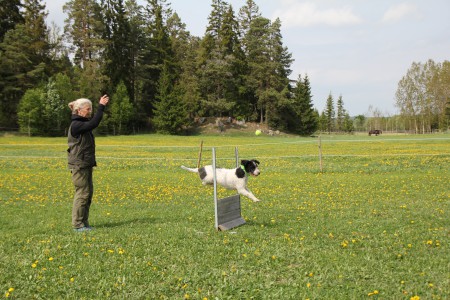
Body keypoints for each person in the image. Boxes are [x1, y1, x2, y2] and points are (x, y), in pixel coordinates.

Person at [67, 95, 109, 232]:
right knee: (82, 194)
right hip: (79, 166)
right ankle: (78, 225)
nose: (90, 112)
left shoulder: (81, 124)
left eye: (91, 109)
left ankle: (84, 223)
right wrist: (101, 106)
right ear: (79, 111)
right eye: (88, 109)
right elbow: (94, 123)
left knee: (88, 194)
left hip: (85, 164)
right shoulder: (77, 125)